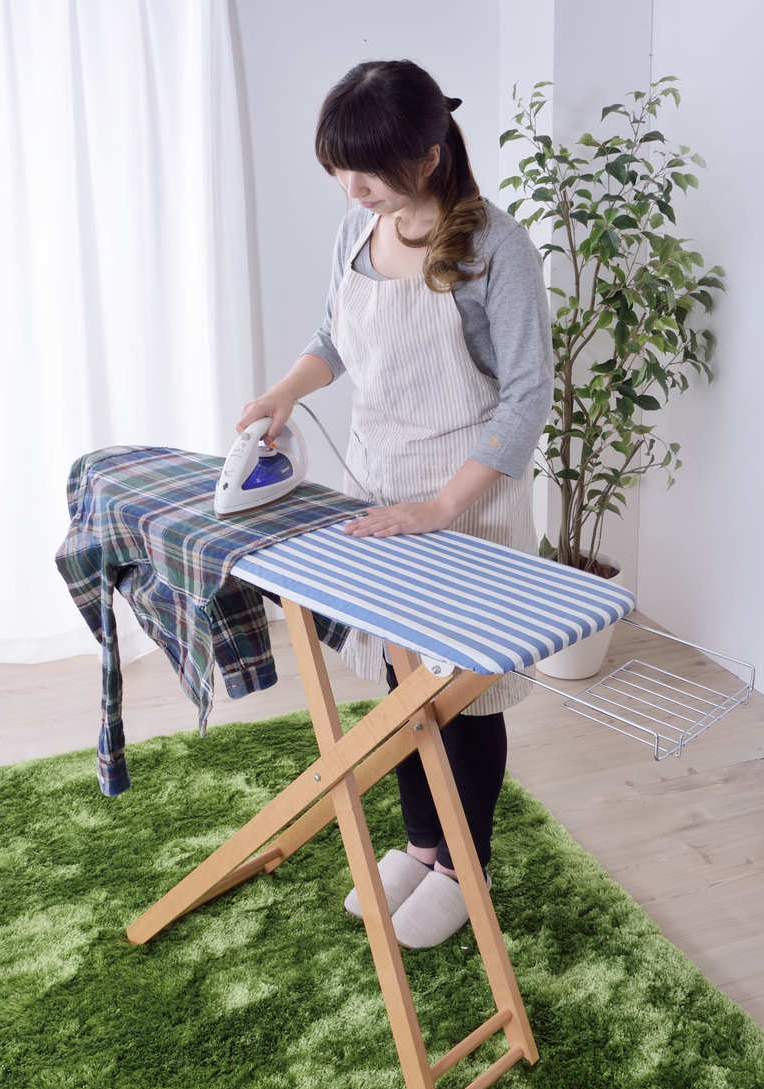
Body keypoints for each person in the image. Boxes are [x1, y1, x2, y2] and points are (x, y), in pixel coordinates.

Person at [235, 59, 552, 949]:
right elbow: (333, 337)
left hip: (467, 501)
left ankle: (463, 867)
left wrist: (442, 507)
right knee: (402, 681)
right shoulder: (358, 229)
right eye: (340, 169)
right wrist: (284, 393)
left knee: (466, 698)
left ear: (428, 152)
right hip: (378, 491)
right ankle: (419, 845)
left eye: (367, 170)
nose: (352, 187)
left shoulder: (497, 249)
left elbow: (527, 397)